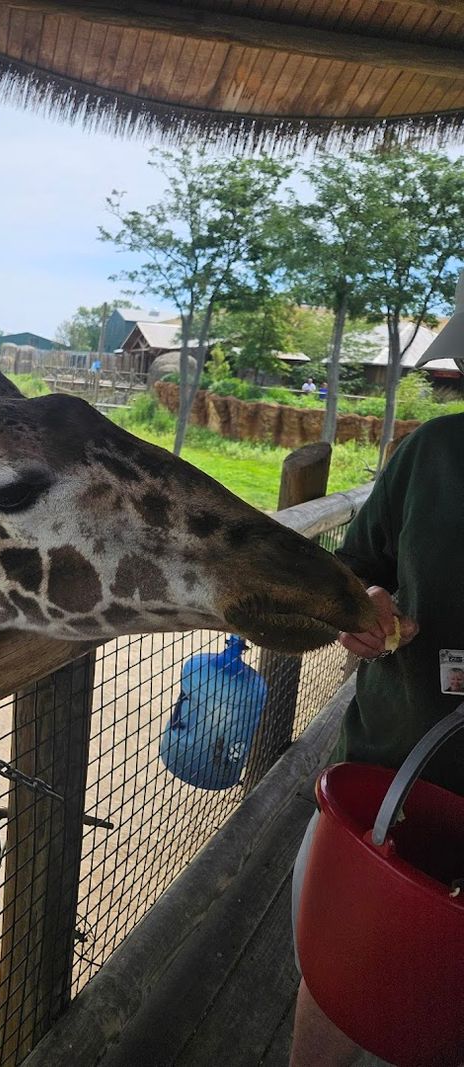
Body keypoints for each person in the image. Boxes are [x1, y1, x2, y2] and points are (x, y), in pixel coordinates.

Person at [290, 411, 464, 1067]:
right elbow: (355, 564)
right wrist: (361, 606)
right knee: (341, 974)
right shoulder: (436, 452)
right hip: (388, 768)